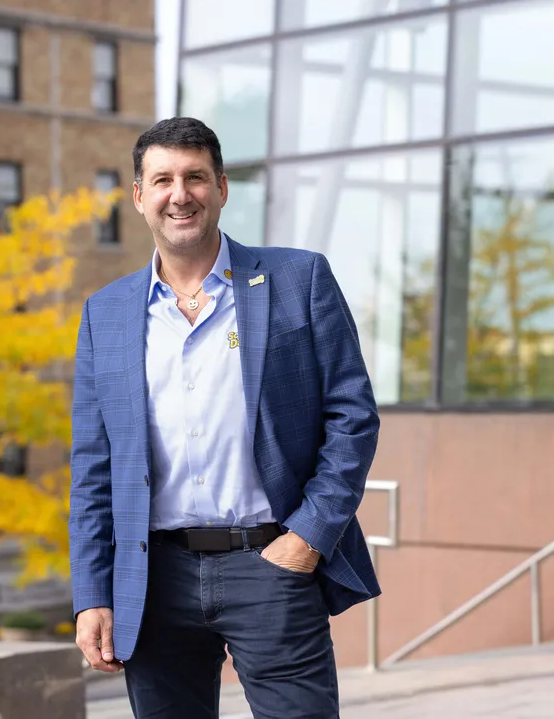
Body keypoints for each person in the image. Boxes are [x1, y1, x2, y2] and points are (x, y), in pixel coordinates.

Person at [68, 116, 381, 719]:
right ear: (139, 196)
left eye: (195, 177)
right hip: (154, 578)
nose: (179, 194)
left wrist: (308, 538)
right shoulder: (103, 314)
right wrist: (93, 593)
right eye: (162, 180)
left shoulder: (298, 279)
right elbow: (93, 468)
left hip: (272, 565)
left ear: (222, 188)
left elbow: (353, 417)